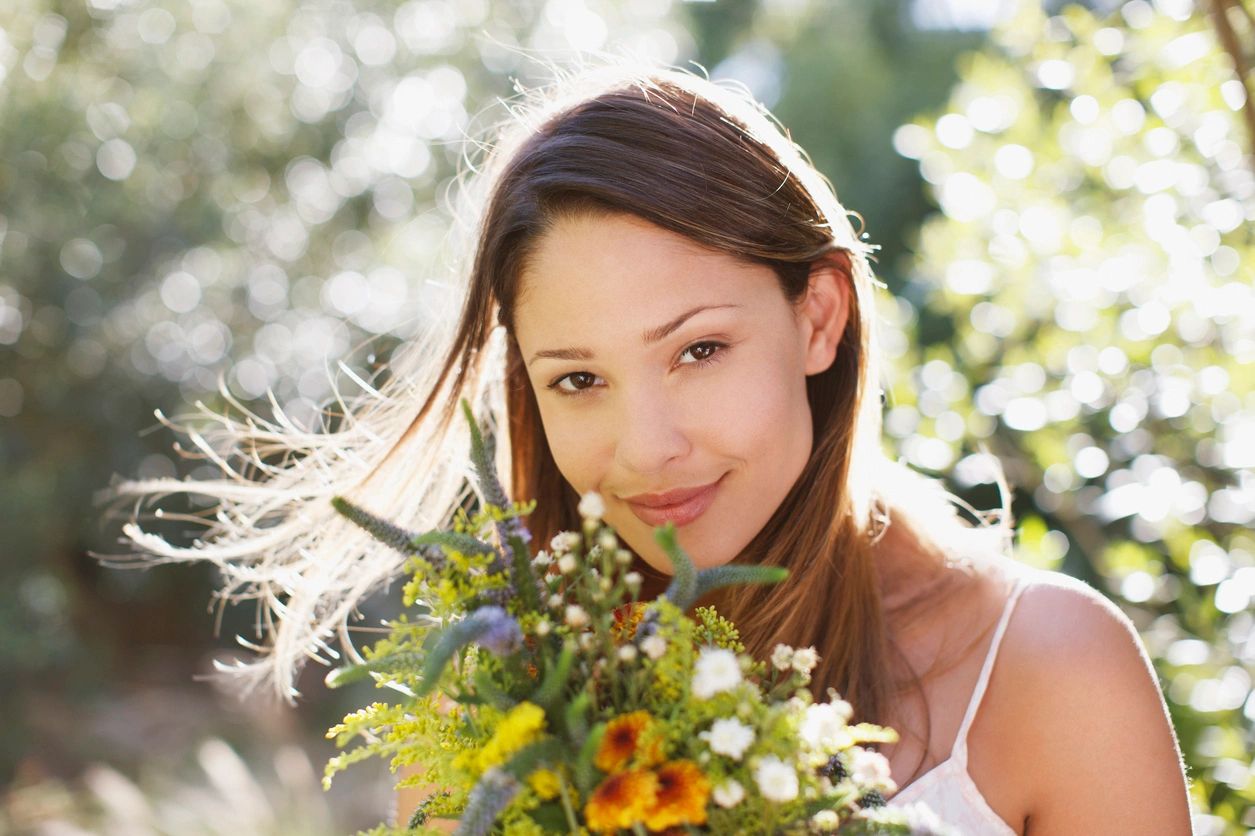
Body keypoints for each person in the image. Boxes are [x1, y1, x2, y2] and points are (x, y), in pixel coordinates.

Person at [110, 62, 1193, 834]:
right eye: (578, 379)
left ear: (818, 316)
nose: (645, 448)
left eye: (698, 350)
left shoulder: (1048, 670)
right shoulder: (500, 701)